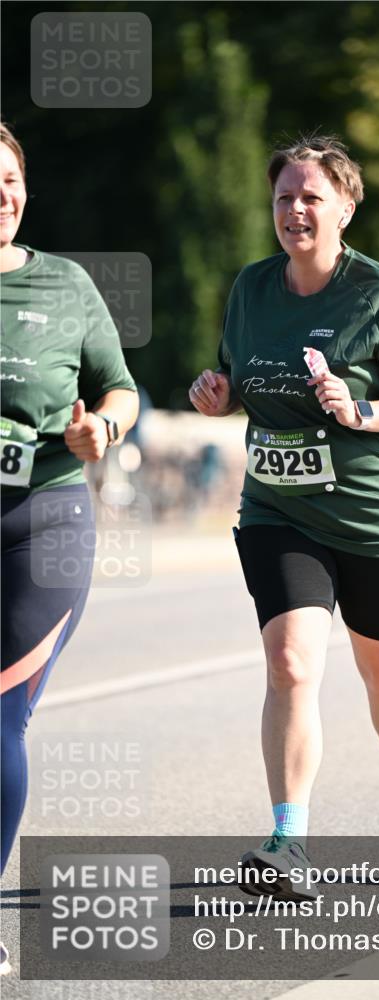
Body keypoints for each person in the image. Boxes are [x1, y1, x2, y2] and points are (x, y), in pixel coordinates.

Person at [190, 134, 379, 898]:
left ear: (344, 205)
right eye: (283, 197)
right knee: (290, 663)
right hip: (279, 508)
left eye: (310, 196)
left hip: (376, 517)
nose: (294, 210)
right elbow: (241, 378)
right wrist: (219, 394)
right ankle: (288, 843)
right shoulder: (251, 288)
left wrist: (360, 407)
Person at [0, 123, 138, 972]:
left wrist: (106, 428)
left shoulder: (65, 282)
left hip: (41, 523)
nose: (0, 198)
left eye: (7, 179)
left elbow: (121, 385)